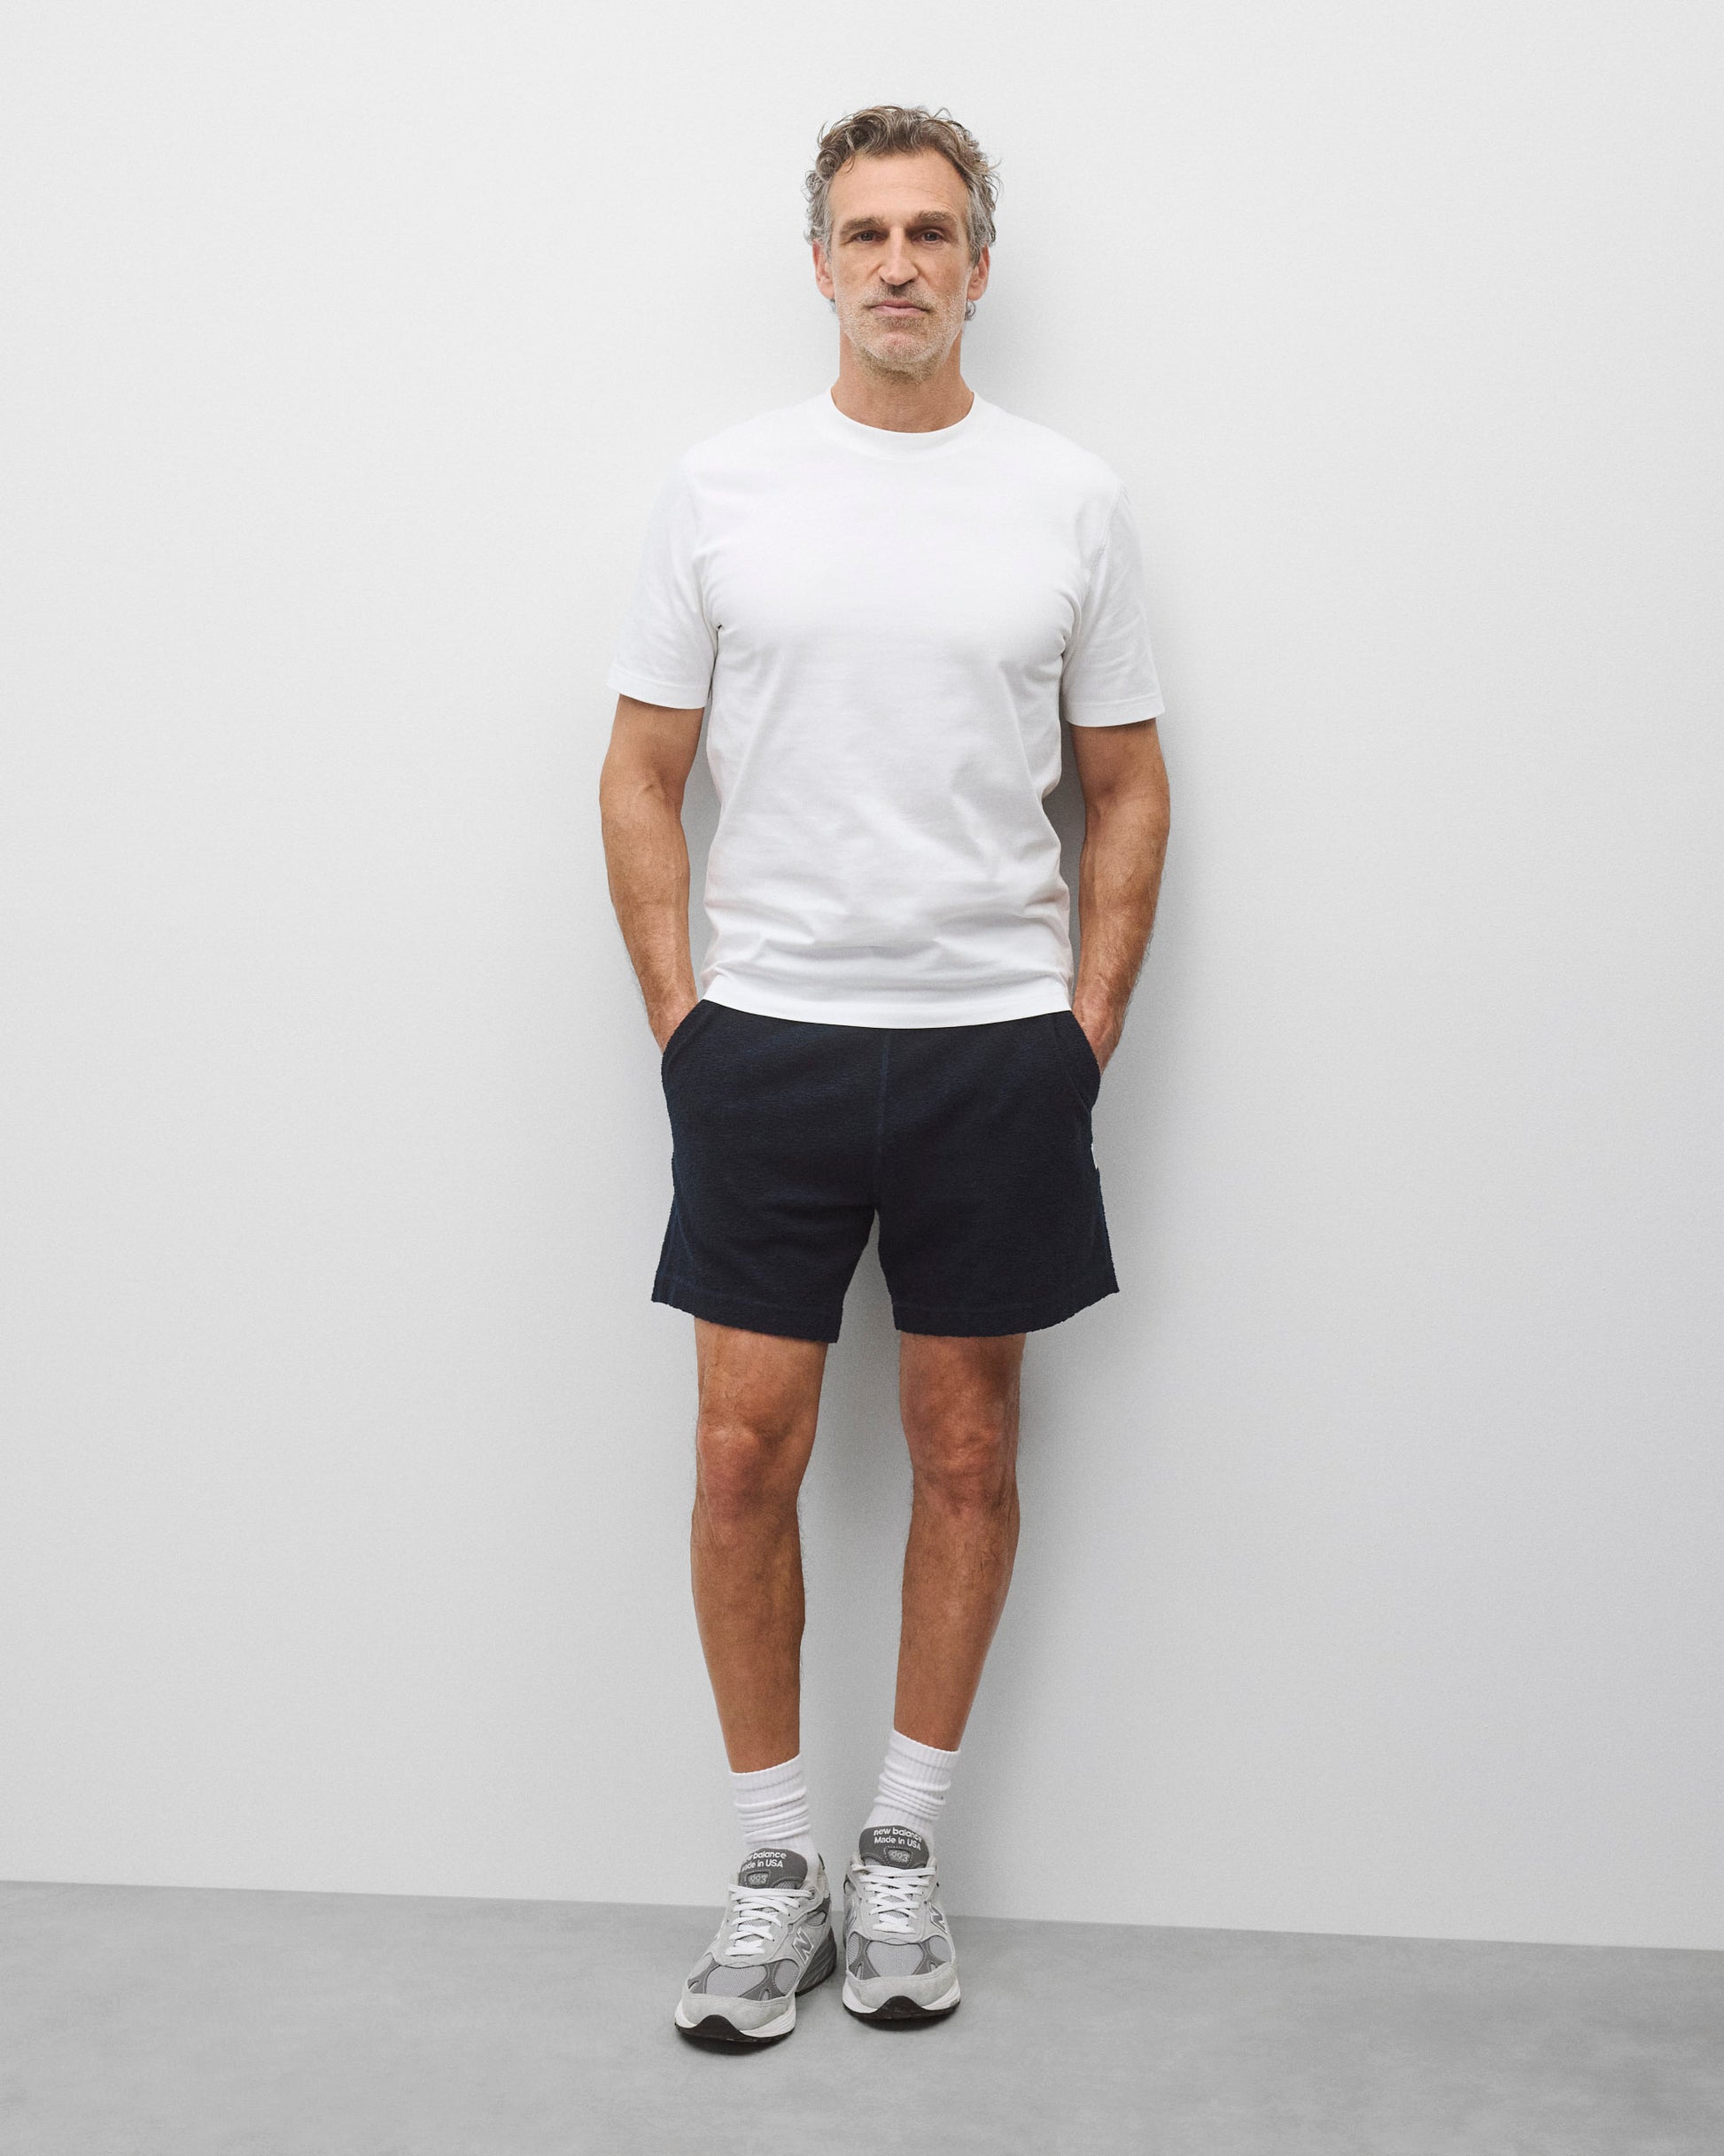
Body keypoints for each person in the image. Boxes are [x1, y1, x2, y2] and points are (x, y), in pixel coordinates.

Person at [597, 103, 1171, 2046]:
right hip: (764, 1043)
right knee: (738, 1457)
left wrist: (1078, 1033)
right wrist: (685, 1022)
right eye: (867, 233)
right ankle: (777, 1867)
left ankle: (902, 1847)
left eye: (933, 231)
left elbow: (1125, 786)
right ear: (822, 264)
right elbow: (640, 773)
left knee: (967, 1452)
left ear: (979, 264)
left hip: (990, 1048)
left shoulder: (1067, 498)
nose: (900, 263)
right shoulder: (722, 485)